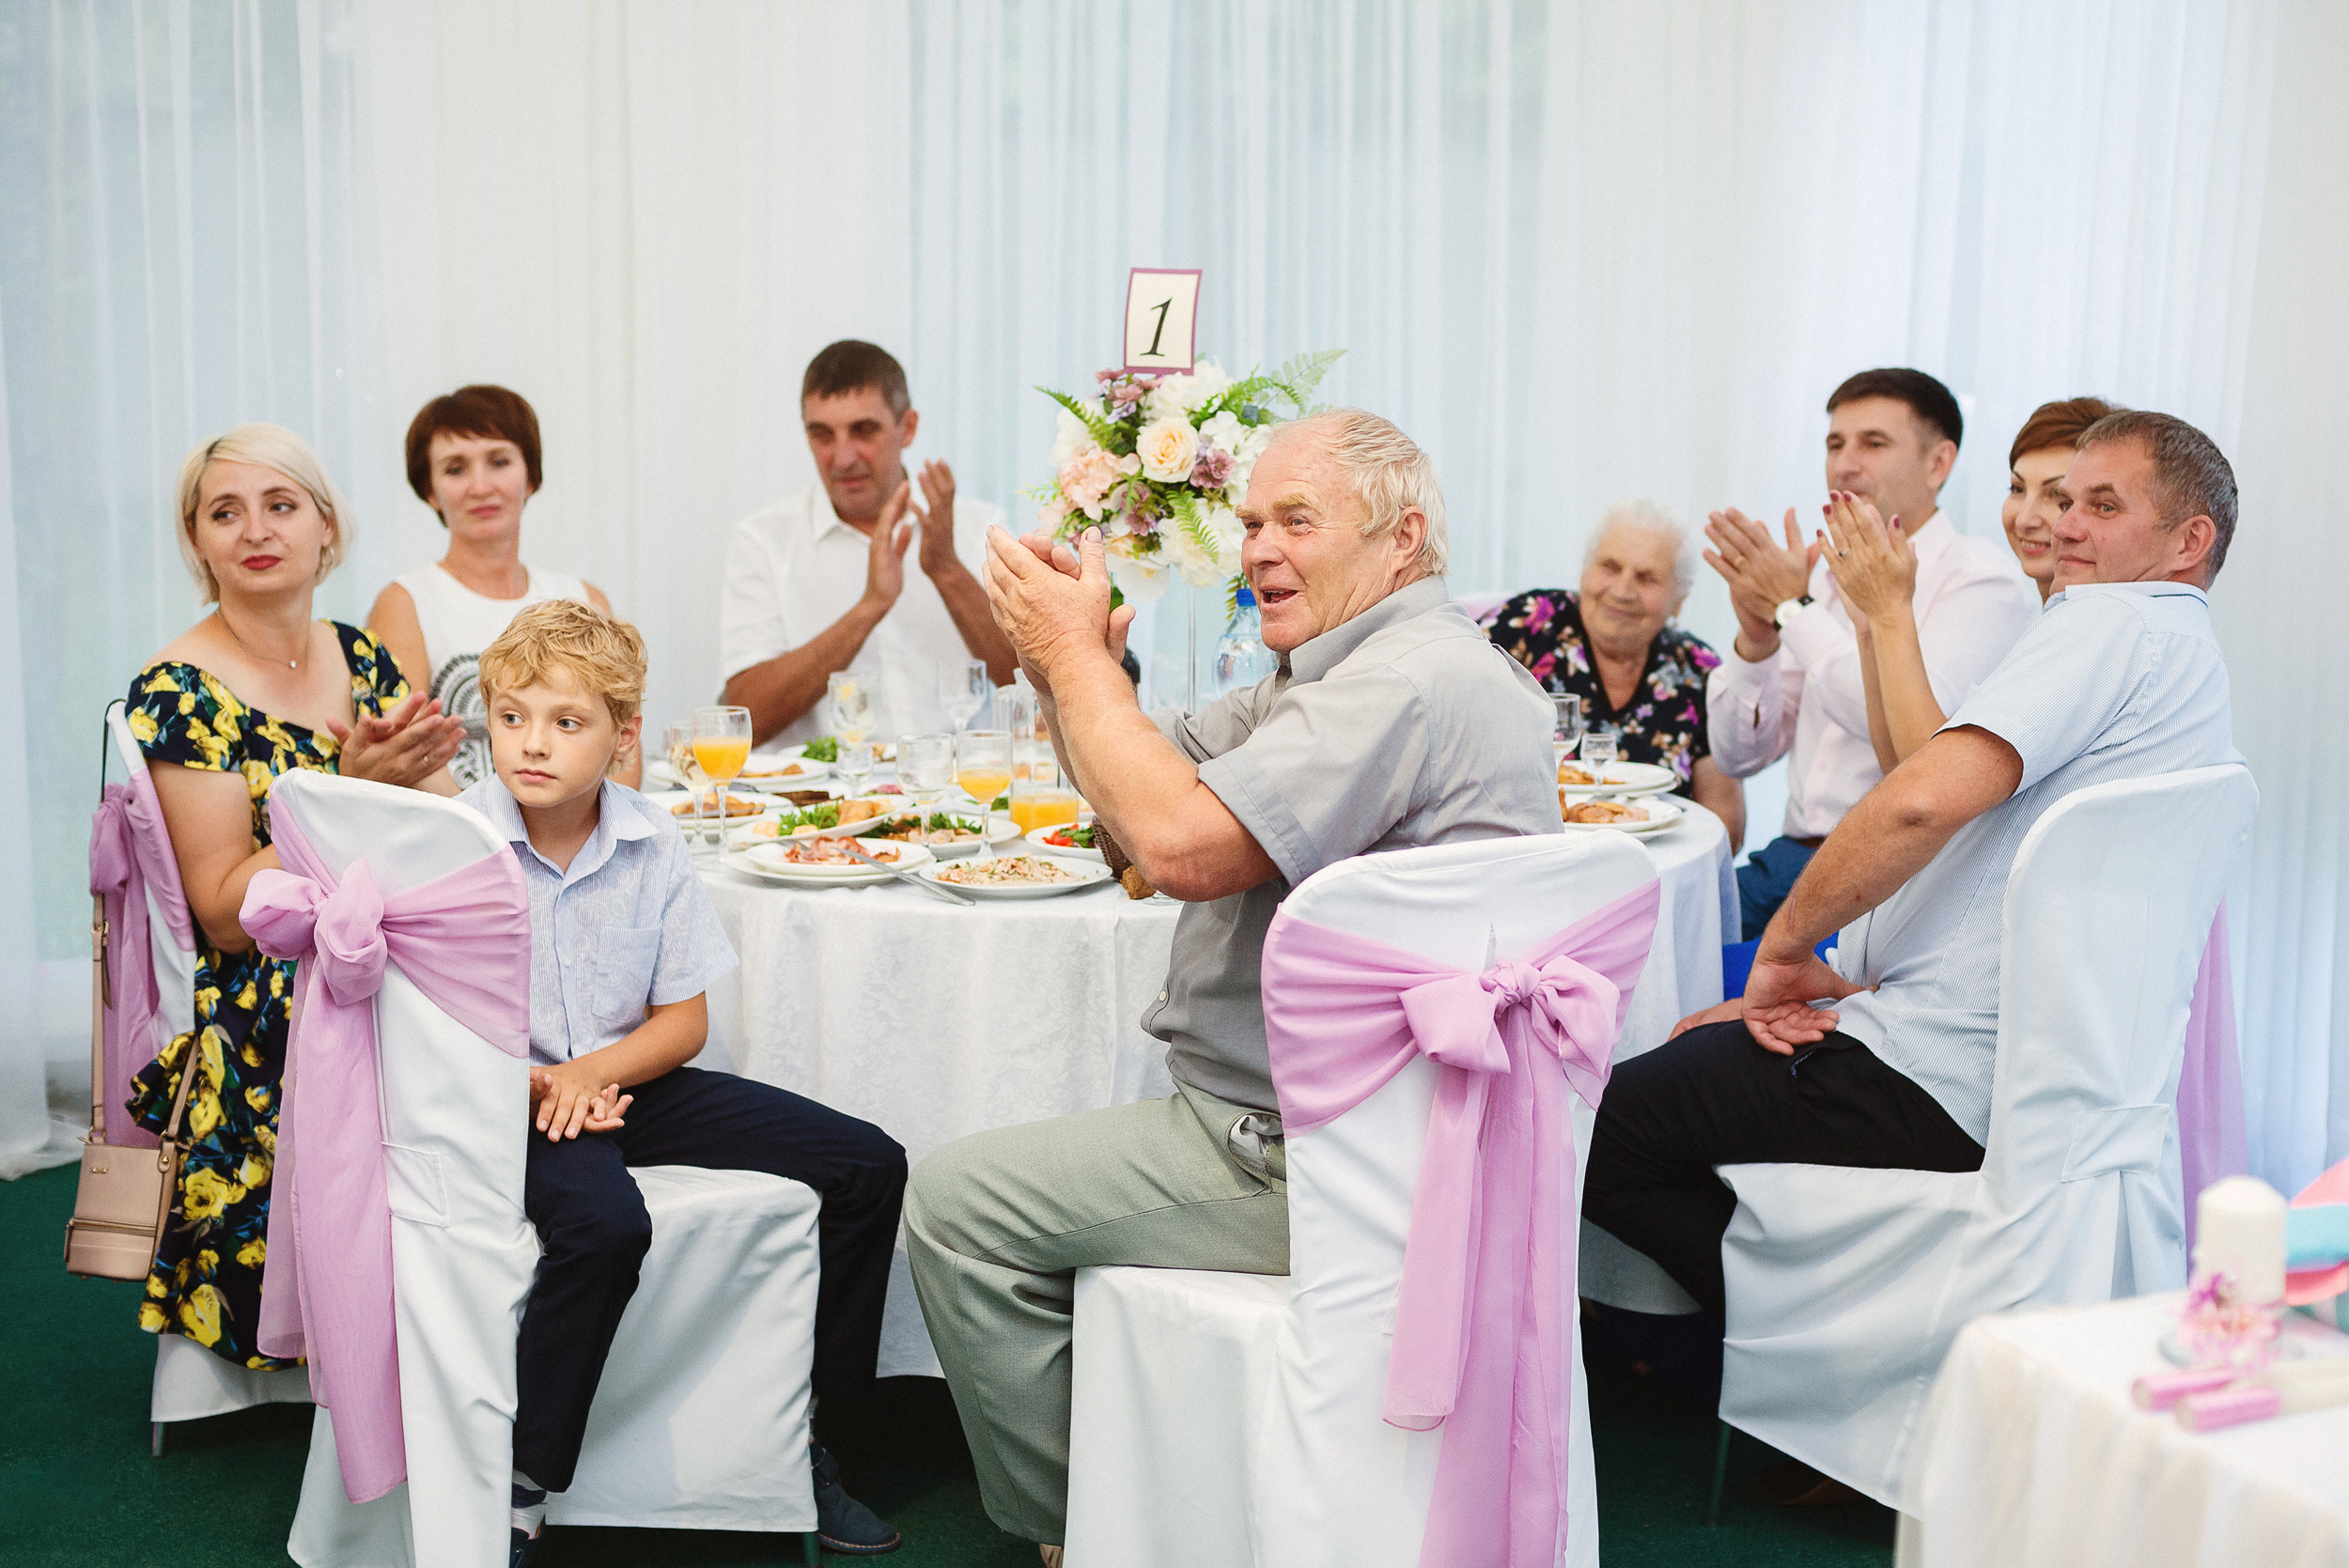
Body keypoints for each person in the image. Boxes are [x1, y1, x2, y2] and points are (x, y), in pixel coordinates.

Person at [903, 410, 1559, 1563]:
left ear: (1401, 540)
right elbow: (1139, 800)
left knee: (954, 1208)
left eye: (1294, 520)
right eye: (1251, 519)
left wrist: (1068, 662)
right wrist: (1077, 670)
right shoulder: (1340, 669)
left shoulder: (1397, 685)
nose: (1257, 546)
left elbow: (1180, 849)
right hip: (1369, 1130)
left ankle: (1079, 1533)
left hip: (1319, 1155)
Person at [1585, 407, 2240, 1373]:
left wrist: (1781, 954)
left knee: (1598, 1126)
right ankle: (1841, 1330)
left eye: (2100, 505)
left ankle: (1831, 1357)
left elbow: (1917, 804)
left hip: (1927, 1072)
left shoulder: (2106, 621)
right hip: (2012, 1067)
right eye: (2058, 497)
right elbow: (1947, 802)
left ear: (2188, 543)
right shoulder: (2187, 661)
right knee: (1688, 1050)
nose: (2060, 524)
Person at [459, 600, 907, 1563]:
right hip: (511, 1100)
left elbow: (683, 1023)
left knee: (869, 1164)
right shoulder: (457, 849)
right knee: (606, 1223)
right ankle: (525, 1480)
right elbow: (434, 1025)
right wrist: (547, 1088)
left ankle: (812, 1440)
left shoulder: (653, 841)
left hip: (625, 1078)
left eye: (565, 722)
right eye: (511, 716)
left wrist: (589, 1075)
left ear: (624, 739)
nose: (531, 743)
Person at [125, 424, 464, 1372]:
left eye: (281, 505)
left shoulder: (361, 657)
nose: (255, 530)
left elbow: (450, 819)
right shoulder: (179, 689)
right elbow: (228, 911)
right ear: (195, 540)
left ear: (326, 527)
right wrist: (352, 795)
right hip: (274, 997)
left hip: (394, 961)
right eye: (224, 512)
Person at [1703, 368, 2038, 938]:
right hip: (1787, 860)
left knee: (1697, 1004)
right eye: (1835, 444)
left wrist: (1792, 611)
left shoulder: (1981, 581)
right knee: (1645, 949)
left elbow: (1917, 748)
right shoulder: (1825, 579)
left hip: (1893, 881)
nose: (1844, 464)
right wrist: (1757, 641)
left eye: (1873, 443)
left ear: (1939, 465)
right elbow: (1737, 758)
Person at [718, 340, 1017, 747]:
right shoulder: (763, 540)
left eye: (863, 431)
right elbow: (745, 721)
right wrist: (870, 607)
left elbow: (1031, 686)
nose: (842, 458)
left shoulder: (981, 526)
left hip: (964, 792)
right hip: (820, 801)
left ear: (907, 428)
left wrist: (946, 569)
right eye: (822, 435)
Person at [365, 384, 638, 789]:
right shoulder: (404, 602)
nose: (480, 487)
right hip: (462, 842)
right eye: (455, 469)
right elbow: (406, 757)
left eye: (499, 461)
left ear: (531, 477)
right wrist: (493, 840)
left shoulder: (585, 599)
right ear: (430, 492)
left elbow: (621, 755)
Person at [1824, 396, 2117, 772]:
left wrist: (1888, 615)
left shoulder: (2083, 637)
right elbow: (1896, 769)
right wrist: (1869, 628)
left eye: (2057, 496)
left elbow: (1928, 778)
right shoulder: (2051, 627)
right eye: (2016, 489)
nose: (2025, 518)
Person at [1485, 500, 1745, 846]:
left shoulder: (1699, 671)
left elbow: (1724, 826)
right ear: (1584, 571)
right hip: (1528, 856)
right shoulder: (1526, 625)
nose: (1622, 591)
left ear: (1679, 599)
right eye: (1610, 566)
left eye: (1646, 578)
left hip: (1655, 867)